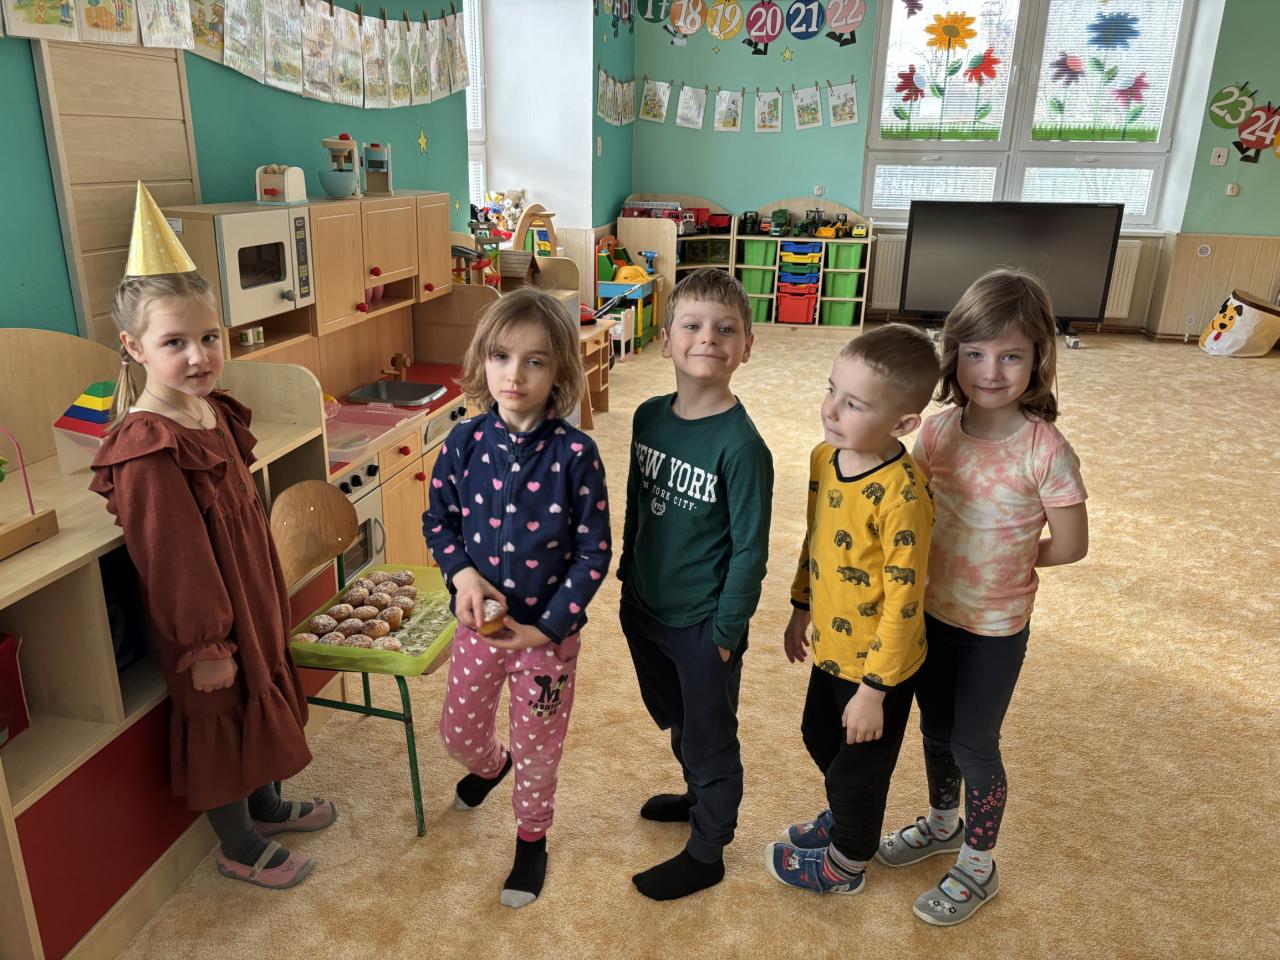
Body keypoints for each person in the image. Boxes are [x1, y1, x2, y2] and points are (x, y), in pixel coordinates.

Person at [90, 184, 333, 891]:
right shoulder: (148, 446)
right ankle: (239, 843)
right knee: (221, 712)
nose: (198, 356)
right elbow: (176, 561)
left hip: (248, 597)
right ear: (133, 347)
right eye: (174, 343)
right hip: (206, 619)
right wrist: (205, 645)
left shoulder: (210, 411)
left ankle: (267, 805)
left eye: (209, 337)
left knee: (260, 693)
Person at [877, 269, 1089, 926]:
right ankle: (943, 824)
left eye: (1010, 356)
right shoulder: (936, 432)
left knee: (974, 743)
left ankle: (978, 861)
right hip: (929, 615)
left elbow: (1071, 545)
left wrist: (1008, 562)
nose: (990, 371)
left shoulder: (1045, 450)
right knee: (934, 730)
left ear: (1039, 359)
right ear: (954, 353)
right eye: (974, 352)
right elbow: (907, 513)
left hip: (995, 628)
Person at [424, 288, 611, 908]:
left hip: (546, 641)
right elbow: (439, 522)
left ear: (559, 370)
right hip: (480, 627)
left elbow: (593, 553)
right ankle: (489, 768)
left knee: (538, 749)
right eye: (501, 357)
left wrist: (548, 628)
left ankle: (532, 840)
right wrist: (461, 576)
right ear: (482, 360)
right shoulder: (463, 442)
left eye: (535, 361)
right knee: (458, 734)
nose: (514, 374)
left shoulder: (576, 455)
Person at [766, 324, 940, 896]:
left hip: (880, 667)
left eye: (855, 404)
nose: (831, 409)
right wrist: (800, 606)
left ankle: (848, 862)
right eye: (831, 390)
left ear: (903, 424)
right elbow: (816, 536)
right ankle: (847, 816)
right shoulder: (825, 458)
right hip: (832, 646)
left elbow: (906, 600)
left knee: (858, 771)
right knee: (818, 735)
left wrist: (874, 691)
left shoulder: (903, 496)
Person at [617, 268, 774, 901]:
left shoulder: (742, 447)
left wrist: (726, 632)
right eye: (692, 324)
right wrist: (627, 577)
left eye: (725, 328)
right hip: (646, 606)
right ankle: (693, 797)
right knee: (678, 717)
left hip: (704, 624)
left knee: (710, 736)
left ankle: (708, 850)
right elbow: (636, 501)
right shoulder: (648, 418)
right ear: (665, 339)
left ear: (746, 347)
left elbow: (751, 551)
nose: (708, 337)